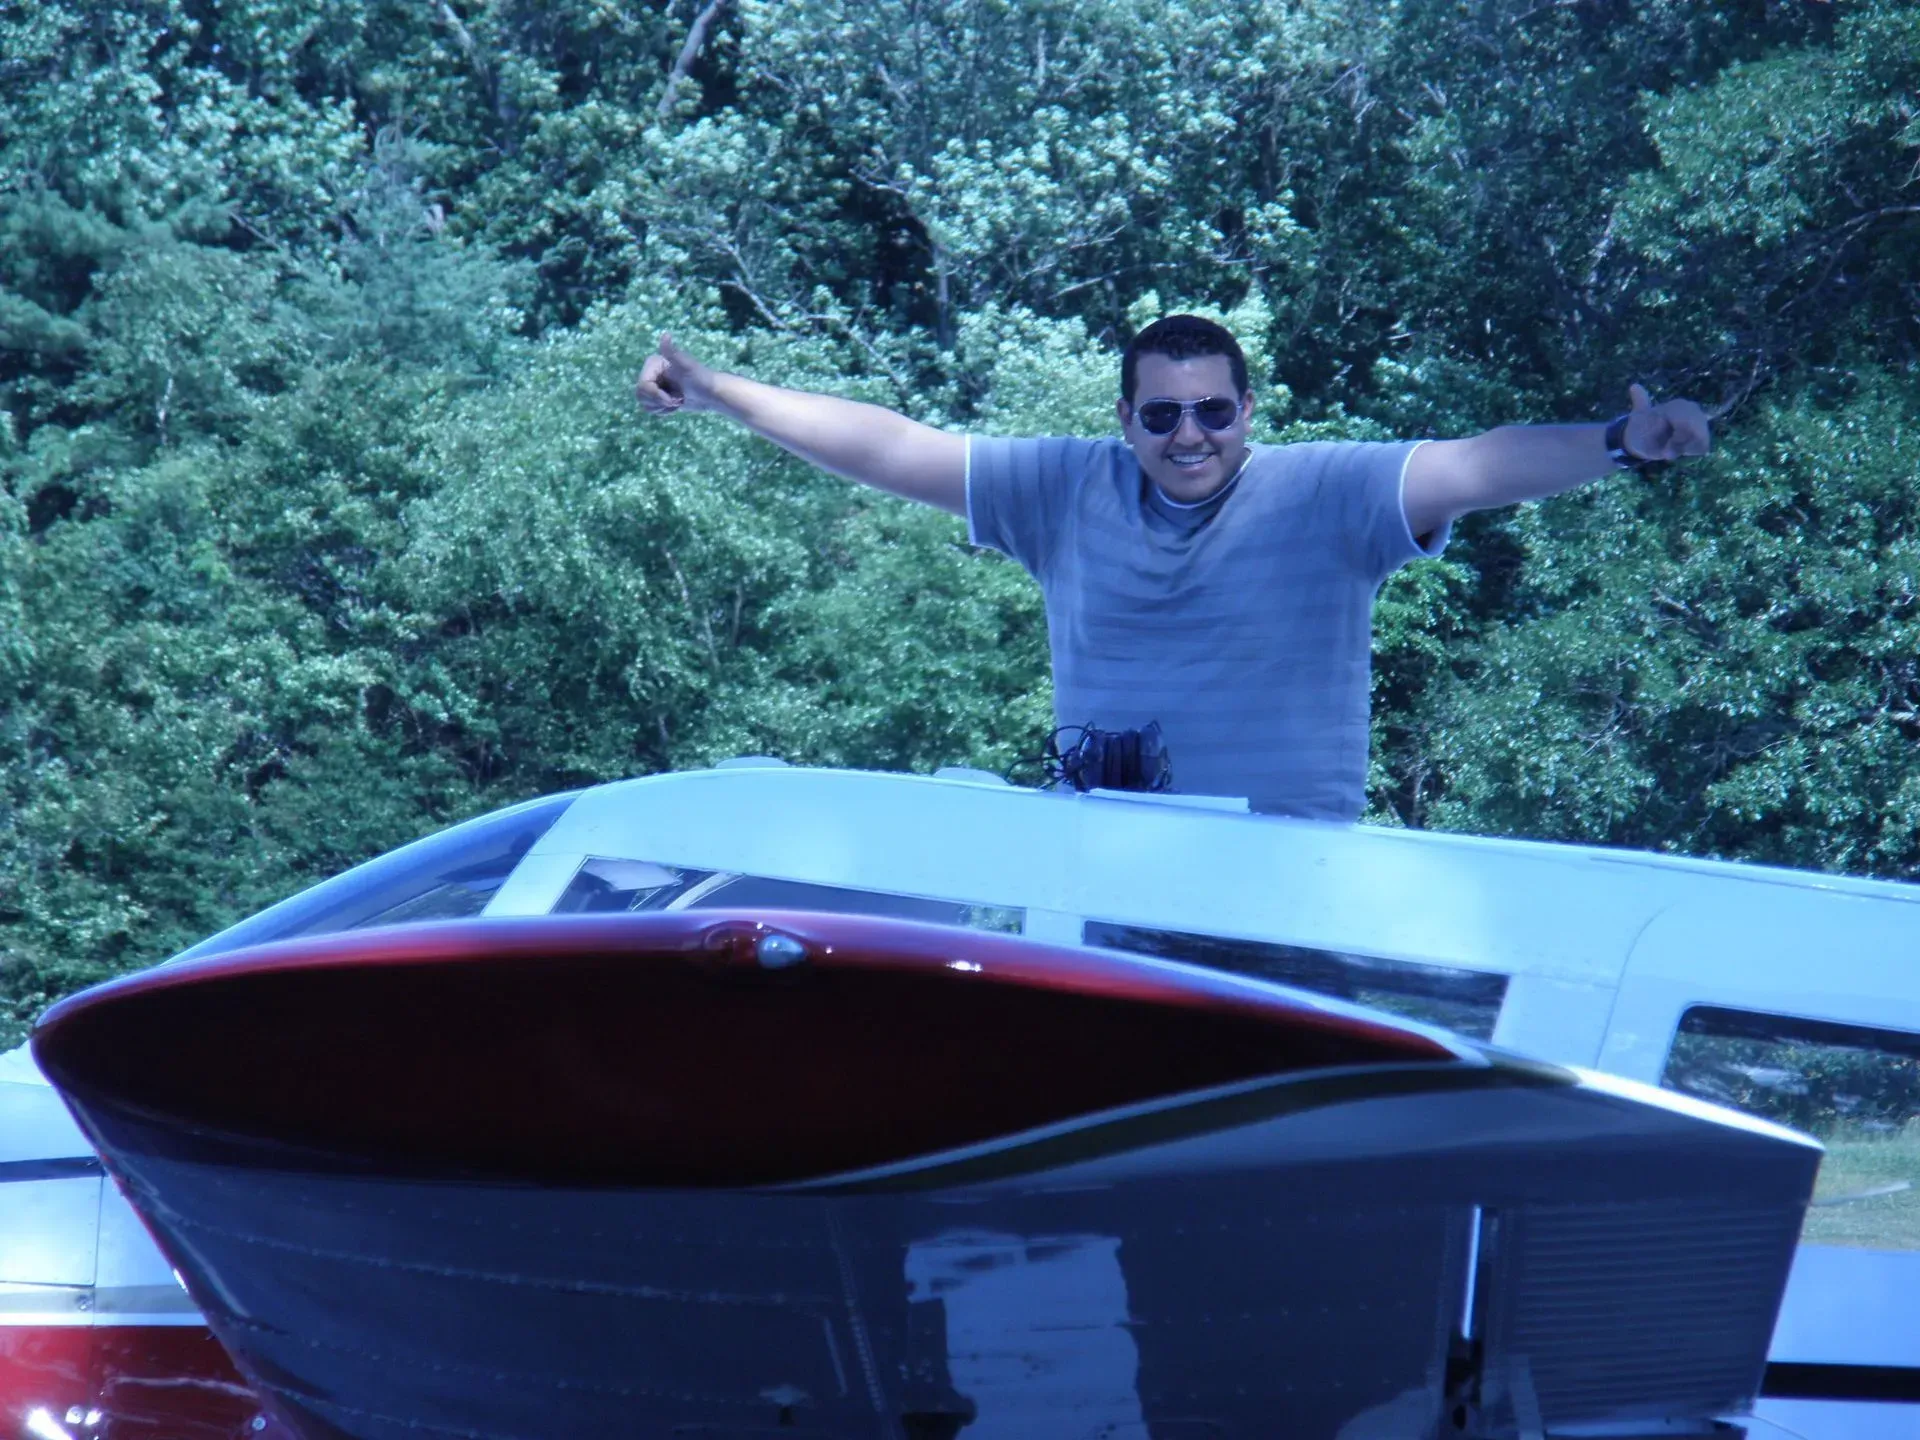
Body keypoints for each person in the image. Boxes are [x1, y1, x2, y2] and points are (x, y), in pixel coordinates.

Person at [633, 315, 1710, 820]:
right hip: (1114, 875)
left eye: (1211, 411)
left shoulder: (1326, 489)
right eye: (1162, 413)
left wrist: (1620, 447)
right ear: (1126, 419)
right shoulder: (1065, 486)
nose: (1188, 434)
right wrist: (723, 392)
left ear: (1248, 411)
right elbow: (891, 443)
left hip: (1293, 887)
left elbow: (1481, 464)